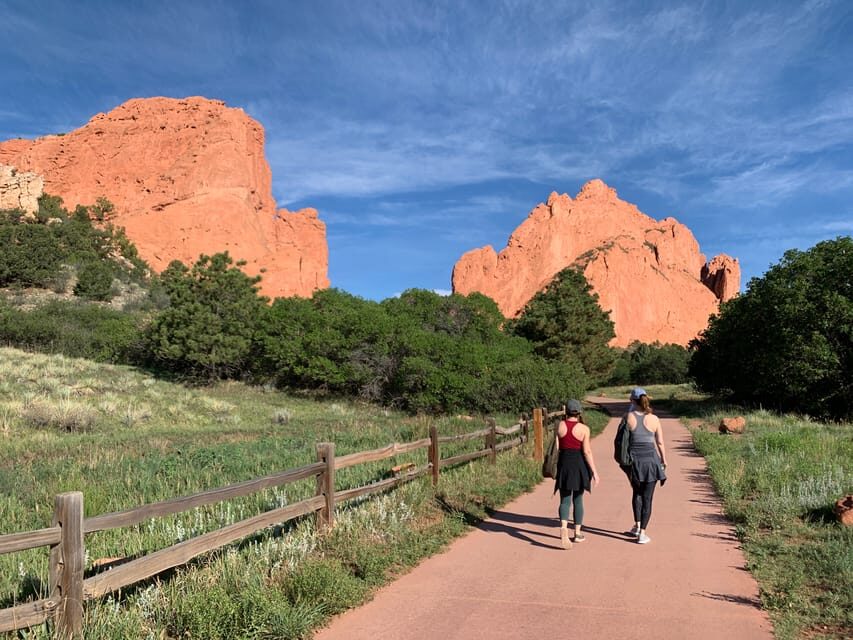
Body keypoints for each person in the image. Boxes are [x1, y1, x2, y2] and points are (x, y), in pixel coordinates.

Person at [554, 399, 600, 549]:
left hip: (564, 464)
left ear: (566, 411)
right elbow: (586, 451)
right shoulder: (584, 429)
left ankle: (563, 528)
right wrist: (594, 471)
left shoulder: (559, 426)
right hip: (579, 465)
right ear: (579, 412)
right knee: (578, 500)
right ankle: (578, 533)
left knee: (564, 500)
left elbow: (557, 448)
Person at [624, 388, 667, 544]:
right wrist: (664, 460)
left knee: (637, 494)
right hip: (651, 461)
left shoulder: (628, 417)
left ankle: (637, 525)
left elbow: (624, 441)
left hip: (635, 462)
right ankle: (642, 533)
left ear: (633, 401)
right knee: (648, 498)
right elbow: (660, 442)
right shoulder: (654, 419)